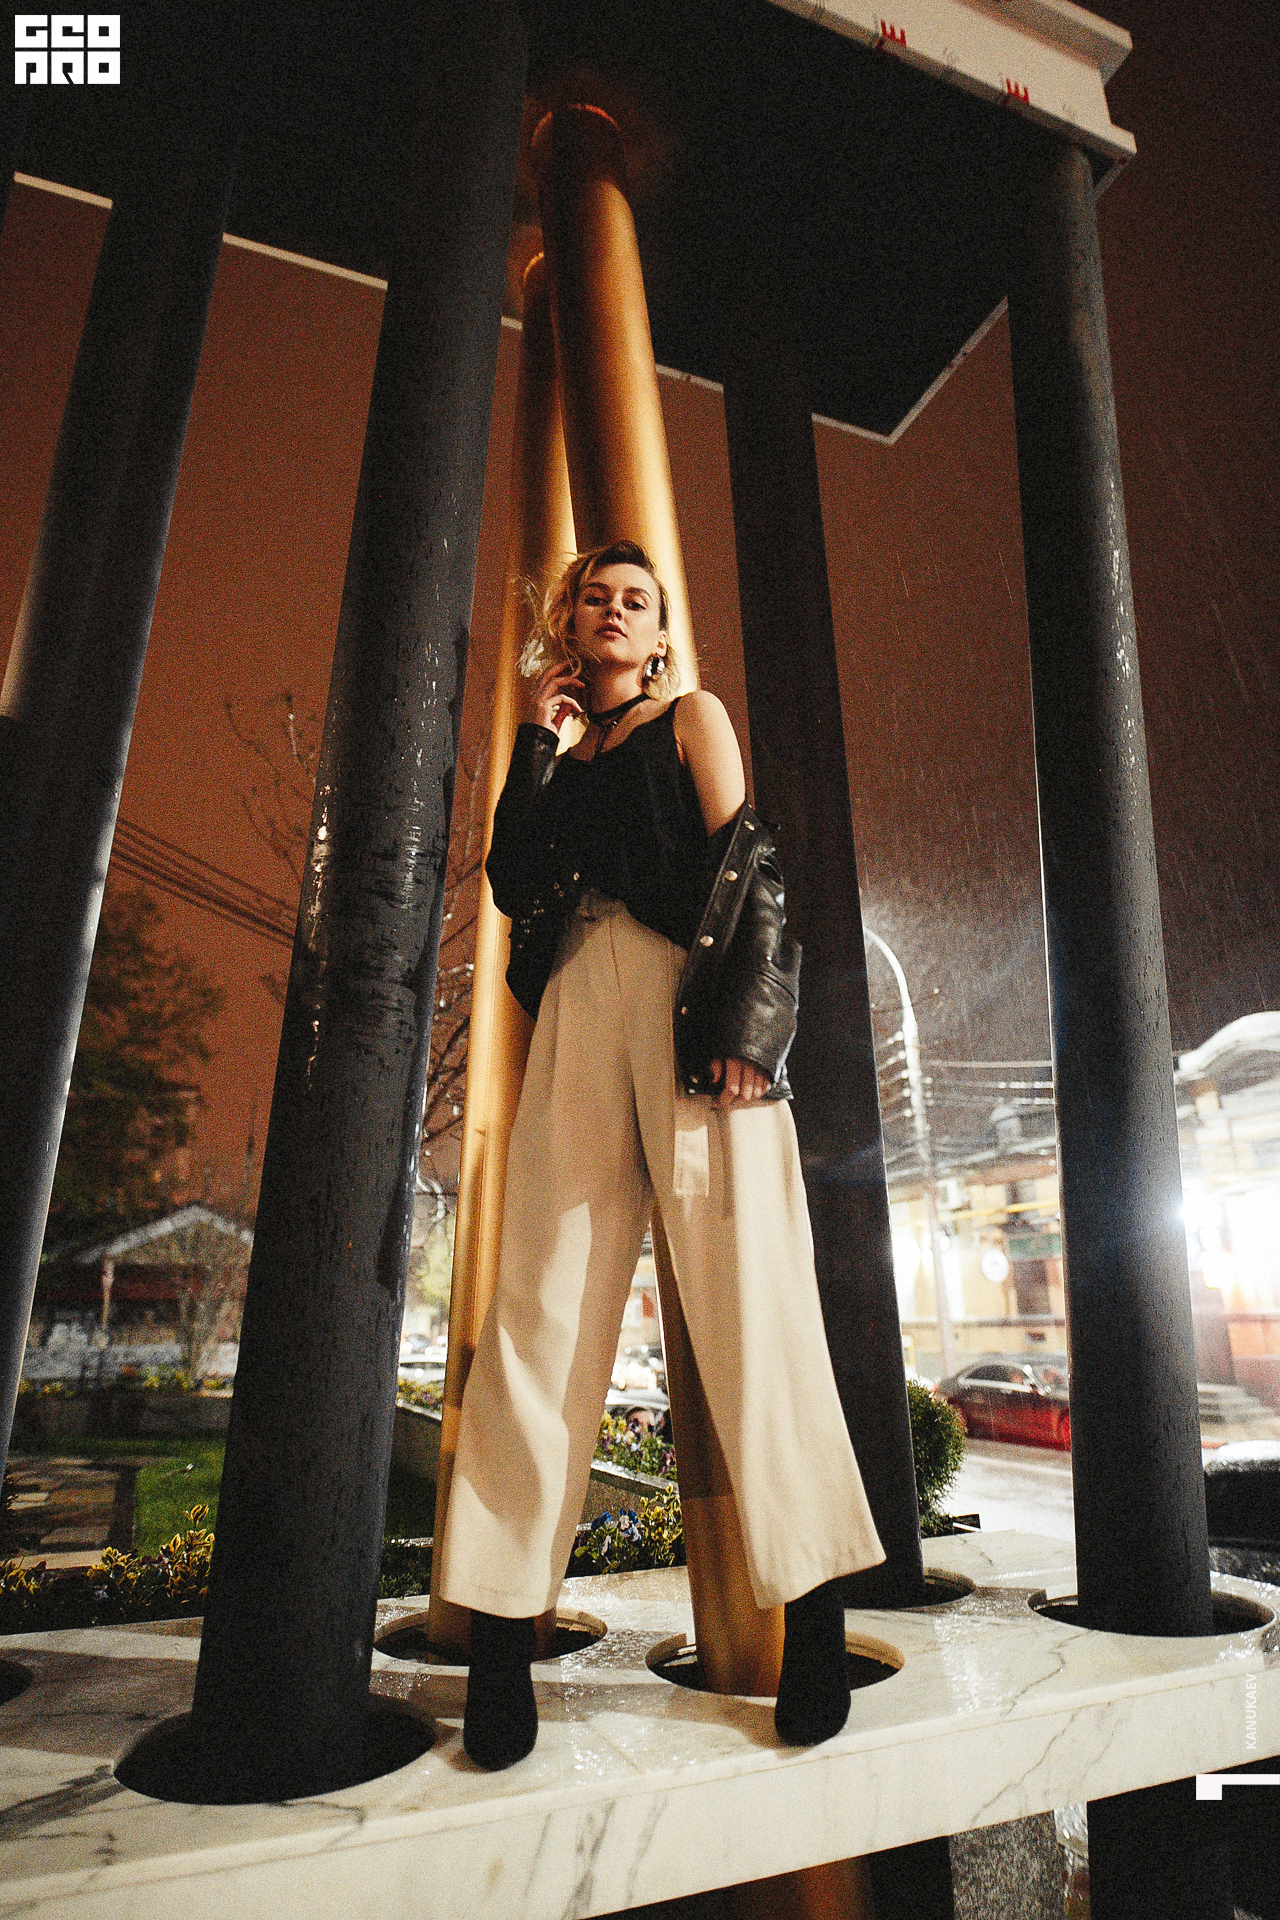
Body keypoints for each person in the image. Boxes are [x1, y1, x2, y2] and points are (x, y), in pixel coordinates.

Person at [434, 539, 884, 1769]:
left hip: (694, 1010)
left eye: (635, 599)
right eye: (594, 596)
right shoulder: (558, 751)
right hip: (577, 1009)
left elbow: (754, 864)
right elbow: (512, 881)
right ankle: (500, 1636)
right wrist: (535, 742)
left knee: (754, 1306)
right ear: (569, 623)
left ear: (658, 629)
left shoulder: (693, 717)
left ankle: (813, 1620)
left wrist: (752, 1030)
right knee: (538, 1310)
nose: (614, 610)